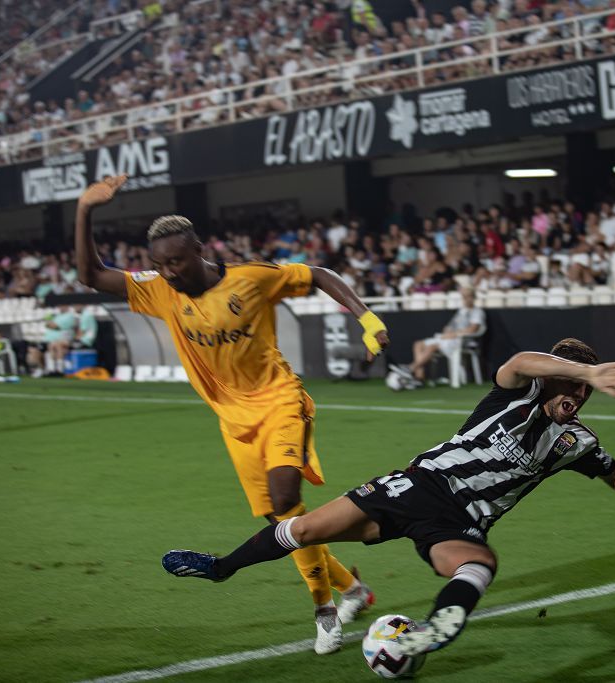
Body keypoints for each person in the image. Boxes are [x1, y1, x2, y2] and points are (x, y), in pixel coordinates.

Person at [162, 339, 615, 662]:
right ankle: (221, 567)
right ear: (553, 382)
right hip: (418, 485)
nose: (575, 398)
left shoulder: (575, 443)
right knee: (304, 529)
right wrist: (580, 369)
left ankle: (436, 629)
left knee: (480, 563)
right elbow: (526, 359)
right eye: (569, 388)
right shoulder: (515, 389)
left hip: (458, 520)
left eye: (584, 393)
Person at [74, 175, 389, 654]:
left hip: (282, 399)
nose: (170, 271)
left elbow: (319, 274)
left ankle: (324, 608)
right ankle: (353, 589)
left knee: (286, 497)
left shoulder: (251, 279)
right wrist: (84, 210)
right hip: (234, 420)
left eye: (177, 260)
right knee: (277, 523)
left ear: (198, 248)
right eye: (160, 264)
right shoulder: (159, 290)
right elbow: (91, 275)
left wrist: (366, 318)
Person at [394, 288, 485, 385]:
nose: (466, 299)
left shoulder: (477, 312)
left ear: (473, 298)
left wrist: (452, 334)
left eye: (469, 297)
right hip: (449, 339)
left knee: (432, 346)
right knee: (418, 344)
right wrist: (447, 331)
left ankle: (410, 368)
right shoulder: (461, 311)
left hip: (463, 341)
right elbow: (450, 326)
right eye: (464, 297)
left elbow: (472, 329)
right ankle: (419, 377)